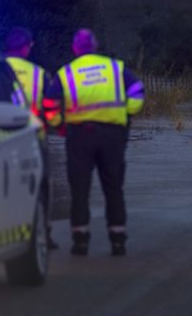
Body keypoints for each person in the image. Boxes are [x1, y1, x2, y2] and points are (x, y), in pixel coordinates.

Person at [46, 29, 144, 256]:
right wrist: (128, 113)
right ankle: (117, 239)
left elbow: (50, 104)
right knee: (113, 187)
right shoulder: (115, 68)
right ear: (96, 45)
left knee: (79, 189)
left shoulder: (67, 73)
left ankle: (80, 240)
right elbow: (137, 91)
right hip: (112, 135)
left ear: (74, 48)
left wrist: (59, 125)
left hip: (79, 136)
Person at [5, 27, 59, 250]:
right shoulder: (39, 74)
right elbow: (51, 109)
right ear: (28, 47)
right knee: (41, 185)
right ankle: (43, 232)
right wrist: (57, 125)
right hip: (32, 139)